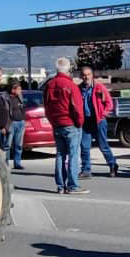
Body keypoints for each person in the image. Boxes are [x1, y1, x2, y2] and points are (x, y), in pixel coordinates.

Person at [42, 57, 87, 195]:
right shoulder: (71, 86)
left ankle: (60, 185)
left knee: (60, 155)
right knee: (73, 155)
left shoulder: (50, 85)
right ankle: (73, 186)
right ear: (68, 70)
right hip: (70, 124)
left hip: (57, 124)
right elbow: (77, 108)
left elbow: (47, 106)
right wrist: (79, 123)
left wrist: (52, 121)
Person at [76, 65, 120, 179]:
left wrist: (103, 114)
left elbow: (109, 104)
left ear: (92, 75)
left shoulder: (99, 88)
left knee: (103, 145)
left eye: (88, 74)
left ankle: (112, 165)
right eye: (84, 75)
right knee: (84, 146)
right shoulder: (78, 89)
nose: (86, 77)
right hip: (85, 122)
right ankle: (86, 170)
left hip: (98, 121)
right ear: (81, 76)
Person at [3, 80, 28, 169]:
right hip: (11, 123)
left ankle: (17, 163)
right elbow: (5, 111)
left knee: (19, 145)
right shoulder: (6, 98)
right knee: (7, 145)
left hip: (20, 122)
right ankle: (5, 164)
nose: (20, 91)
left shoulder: (19, 97)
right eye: (18, 89)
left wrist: (24, 119)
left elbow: (22, 107)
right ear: (13, 90)